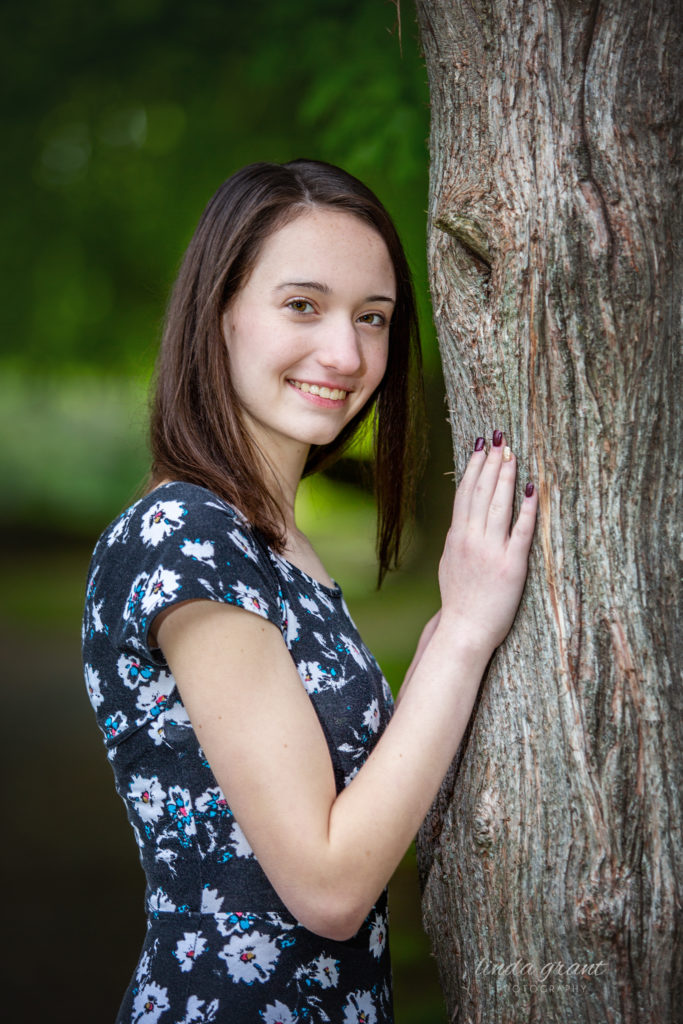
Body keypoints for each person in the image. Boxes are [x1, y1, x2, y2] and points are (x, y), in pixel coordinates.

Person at [82, 159, 538, 1024]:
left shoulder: (271, 541)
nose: (346, 353)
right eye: (303, 305)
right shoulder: (186, 535)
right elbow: (327, 887)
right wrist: (464, 633)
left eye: (373, 318)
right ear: (219, 313)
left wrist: (450, 630)